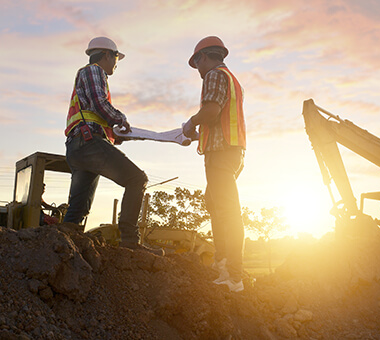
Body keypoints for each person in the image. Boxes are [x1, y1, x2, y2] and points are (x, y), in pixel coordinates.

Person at [63, 36, 163, 256]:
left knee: (78, 210)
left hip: (79, 146)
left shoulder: (86, 76)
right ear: (107, 55)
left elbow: (93, 114)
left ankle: (60, 248)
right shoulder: (94, 70)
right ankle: (130, 241)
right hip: (88, 143)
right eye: (116, 58)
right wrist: (120, 118)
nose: (117, 63)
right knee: (137, 179)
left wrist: (117, 134)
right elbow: (100, 104)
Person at [182, 36, 247, 292]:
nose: (197, 68)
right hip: (231, 151)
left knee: (227, 212)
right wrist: (198, 133)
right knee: (215, 204)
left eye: (196, 61)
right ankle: (223, 265)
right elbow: (220, 119)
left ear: (204, 57)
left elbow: (210, 112)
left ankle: (233, 276)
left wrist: (191, 122)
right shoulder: (231, 79)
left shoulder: (214, 75)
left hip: (221, 154)